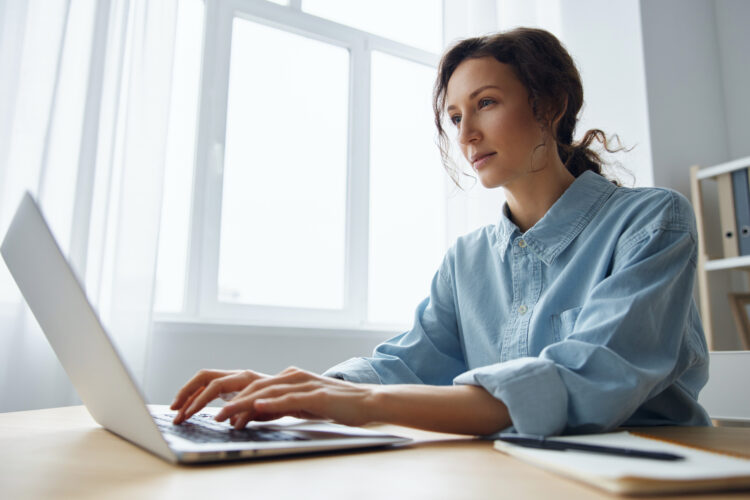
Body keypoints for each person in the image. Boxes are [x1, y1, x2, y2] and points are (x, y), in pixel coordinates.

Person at [171, 27, 711, 436]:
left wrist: (361, 405)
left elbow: (584, 383)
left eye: (487, 104)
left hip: (658, 475)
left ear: (550, 105)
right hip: (513, 473)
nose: (468, 134)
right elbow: (405, 364)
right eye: (454, 117)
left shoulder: (651, 222)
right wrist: (298, 388)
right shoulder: (468, 259)